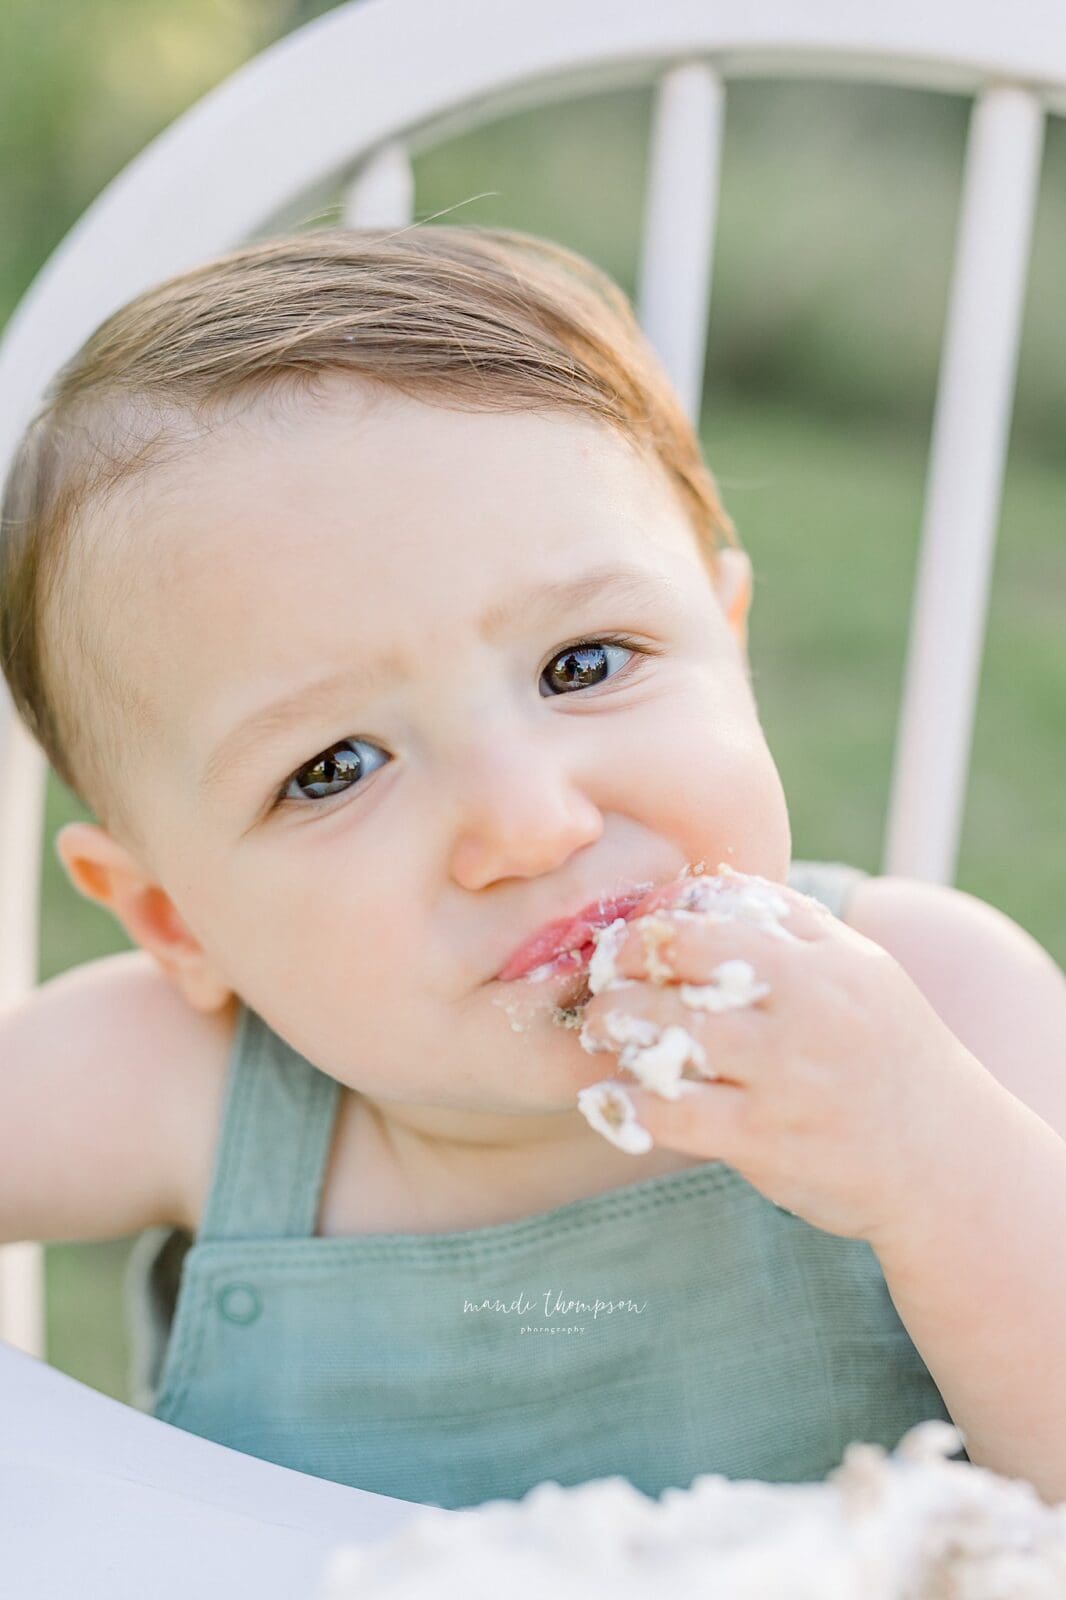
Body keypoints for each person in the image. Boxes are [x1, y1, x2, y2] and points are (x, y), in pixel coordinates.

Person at [2, 226, 1064, 1511]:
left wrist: (932, 1156)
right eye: (335, 765)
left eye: (585, 663)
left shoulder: (944, 1001)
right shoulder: (175, 1082)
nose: (526, 823)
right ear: (178, 922)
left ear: (727, 645)